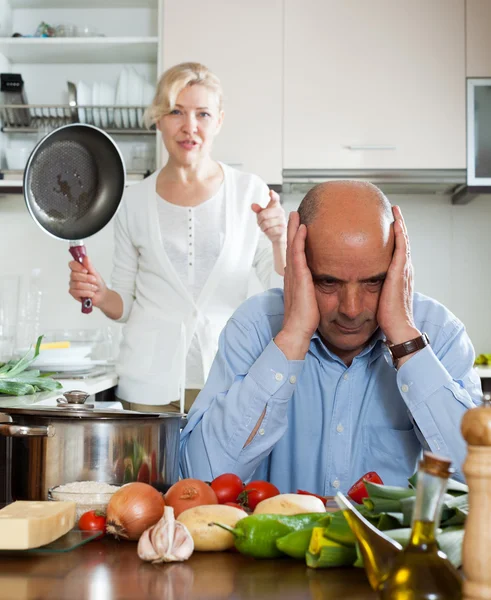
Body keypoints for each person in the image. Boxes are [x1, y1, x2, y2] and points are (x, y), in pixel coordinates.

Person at [180, 180, 482, 492]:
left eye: (374, 282)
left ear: (398, 266)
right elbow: (196, 478)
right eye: (327, 282)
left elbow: (479, 481)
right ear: (299, 265)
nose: (351, 309)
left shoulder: (440, 333)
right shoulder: (254, 327)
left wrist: (406, 342)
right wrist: (293, 337)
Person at [68, 62, 286, 412]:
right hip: (148, 383)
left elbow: (281, 289)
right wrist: (100, 293)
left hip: (228, 379)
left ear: (219, 120)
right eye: (176, 112)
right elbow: (123, 304)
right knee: (152, 470)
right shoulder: (133, 201)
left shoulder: (251, 193)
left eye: (202, 114)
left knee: (221, 471)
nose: (190, 127)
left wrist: (279, 240)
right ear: (159, 118)